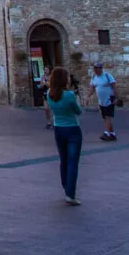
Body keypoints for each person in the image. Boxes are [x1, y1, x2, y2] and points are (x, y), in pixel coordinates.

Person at [46, 66, 84, 205]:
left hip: (58, 128)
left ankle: (66, 187)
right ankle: (70, 193)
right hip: (72, 129)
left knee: (64, 160)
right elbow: (78, 111)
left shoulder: (49, 93)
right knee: (73, 162)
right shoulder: (69, 95)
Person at [89, 63, 118, 141]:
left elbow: (114, 87)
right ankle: (112, 134)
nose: (97, 70)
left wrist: (116, 98)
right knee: (105, 117)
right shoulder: (94, 77)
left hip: (109, 99)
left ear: (101, 68)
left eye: (98, 68)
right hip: (101, 101)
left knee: (107, 116)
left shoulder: (107, 76)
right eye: (95, 68)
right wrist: (88, 96)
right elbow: (92, 87)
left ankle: (107, 133)